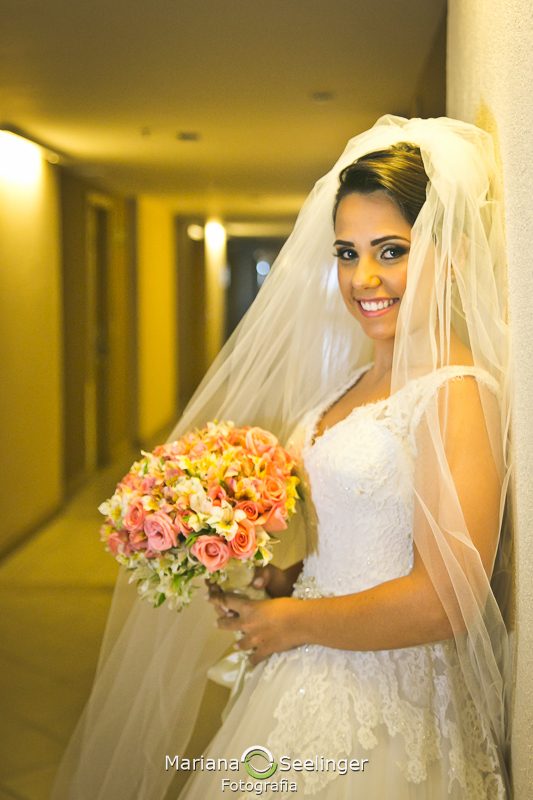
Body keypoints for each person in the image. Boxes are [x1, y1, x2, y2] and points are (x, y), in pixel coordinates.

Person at [50, 116, 513, 800]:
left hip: (391, 696)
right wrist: (271, 576)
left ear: (452, 254)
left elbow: (445, 602)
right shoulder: (350, 380)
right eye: (346, 253)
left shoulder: (456, 393)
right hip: (305, 663)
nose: (363, 278)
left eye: (390, 250)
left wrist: (288, 622)